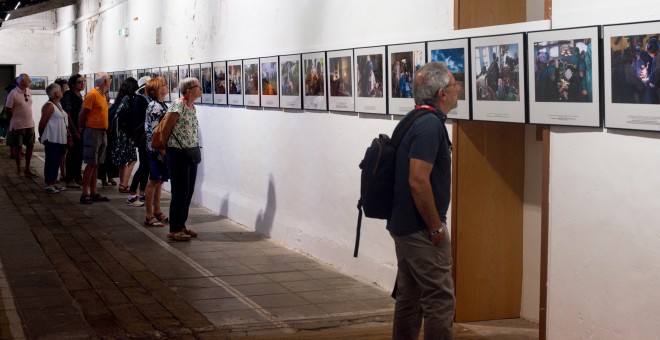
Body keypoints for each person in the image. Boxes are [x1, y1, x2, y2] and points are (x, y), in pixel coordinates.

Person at [387, 61, 457, 339]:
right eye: (453, 86)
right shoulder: (429, 125)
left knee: (410, 295)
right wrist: (435, 228)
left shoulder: (413, 119)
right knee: (440, 299)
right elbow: (418, 180)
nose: (457, 91)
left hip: (403, 224)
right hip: (419, 229)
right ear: (442, 93)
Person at [160, 77, 202, 242]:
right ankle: (174, 229)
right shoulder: (178, 105)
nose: (201, 89)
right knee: (179, 191)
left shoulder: (192, 107)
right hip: (177, 153)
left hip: (191, 153)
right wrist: (164, 149)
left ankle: (181, 225)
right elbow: (166, 128)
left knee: (189, 190)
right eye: (198, 87)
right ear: (189, 90)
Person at [78, 72, 112, 204]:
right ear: (104, 81)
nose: (110, 81)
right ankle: (84, 193)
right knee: (91, 163)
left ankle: (93, 191)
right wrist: (82, 129)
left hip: (102, 132)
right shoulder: (92, 94)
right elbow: (83, 113)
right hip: (92, 131)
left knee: (96, 163)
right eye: (109, 79)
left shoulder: (103, 95)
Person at [144, 77, 169, 226]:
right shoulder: (155, 106)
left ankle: (157, 211)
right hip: (156, 149)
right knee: (154, 180)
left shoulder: (161, 105)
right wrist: (161, 148)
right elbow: (155, 131)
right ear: (156, 90)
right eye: (164, 85)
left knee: (159, 180)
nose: (166, 87)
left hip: (159, 148)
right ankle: (149, 215)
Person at [109, 77, 139, 197]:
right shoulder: (128, 99)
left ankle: (122, 184)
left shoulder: (121, 98)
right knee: (132, 159)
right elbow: (119, 114)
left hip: (120, 133)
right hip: (125, 134)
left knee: (122, 160)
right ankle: (124, 184)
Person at [5, 74, 38, 177]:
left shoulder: (28, 91)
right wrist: (14, 119)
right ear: (21, 82)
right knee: (18, 147)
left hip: (29, 124)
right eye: (28, 80)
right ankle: (19, 169)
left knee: (30, 146)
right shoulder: (13, 93)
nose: (30, 82)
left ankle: (27, 168)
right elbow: (8, 110)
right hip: (18, 125)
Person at [126, 76, 151, 207]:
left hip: (146, 137)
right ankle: (132, 193)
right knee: (144, 165)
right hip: (142, 138)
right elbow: (139, 121)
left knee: (145, 166)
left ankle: (141, 192)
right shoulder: (139, 101)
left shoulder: (145, 100)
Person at [38, 83, 68, 193]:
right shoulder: (49, 105)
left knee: (56, 161)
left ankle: (54, 182)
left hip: (60, 138)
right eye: (60, 90)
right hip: (52, 138)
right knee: (51, 160)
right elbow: (42, 123)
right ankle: (49, 184)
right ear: (55, 93)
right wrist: (42, 136)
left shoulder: (58, 104)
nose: (62, 92)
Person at [61, 74, 85, 188]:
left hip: (80, 128)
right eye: (79, 82)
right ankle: (69, 178)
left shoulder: (79, 95)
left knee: (78, 153)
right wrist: (74, 131)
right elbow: (68, 115)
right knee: (72, 154)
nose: (82, 84)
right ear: (73, 84)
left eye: (82, 81)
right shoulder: (68, 96)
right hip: (72, 129)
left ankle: (77, 176)